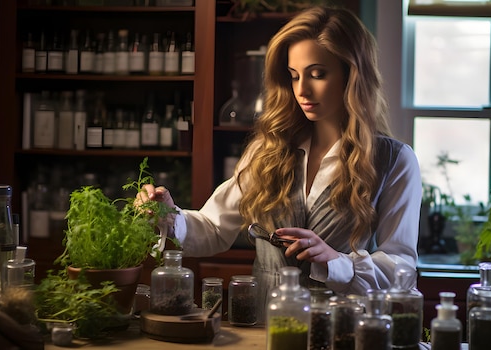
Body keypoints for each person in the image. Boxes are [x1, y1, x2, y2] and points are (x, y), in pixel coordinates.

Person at [137, 5, 422, 318]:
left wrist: (334, 261)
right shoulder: (268, 149)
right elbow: (214, 228)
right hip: (264, 332)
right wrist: (167, 216)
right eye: (294, 76)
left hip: (341, 332)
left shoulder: (394, 161)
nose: (302, 90)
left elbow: (401, 271)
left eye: (318, 74)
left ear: (352, 74)